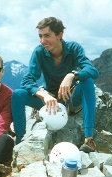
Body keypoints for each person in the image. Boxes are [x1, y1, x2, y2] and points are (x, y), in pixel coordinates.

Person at [11, 17, 99, 152]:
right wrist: (43, 95)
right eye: (40, 36)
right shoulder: (39, 52)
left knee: (87, 81)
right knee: (17, 94)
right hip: (50, 100)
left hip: (71, 97)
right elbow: (27, 80)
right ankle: (20, 142)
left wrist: (72, 75)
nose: (42, 41)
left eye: (47, 36)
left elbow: (92, 70)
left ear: (59, 35)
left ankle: (89, 139)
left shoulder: (73, 48)